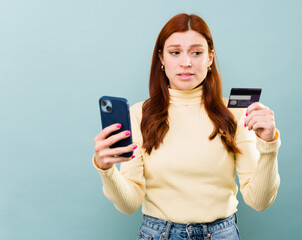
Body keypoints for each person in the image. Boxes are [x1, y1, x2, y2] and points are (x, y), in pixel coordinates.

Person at [93, 13, 281, 240]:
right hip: (158, 234)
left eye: (197, 52)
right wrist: (106, 170)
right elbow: (129, 204)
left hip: (221, 234)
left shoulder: (236, 113)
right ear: (161, 58)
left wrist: (269, 146)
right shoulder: (139, 114)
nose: (186, 62)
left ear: (210, 58)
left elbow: (259, 201)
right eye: (175, 52)